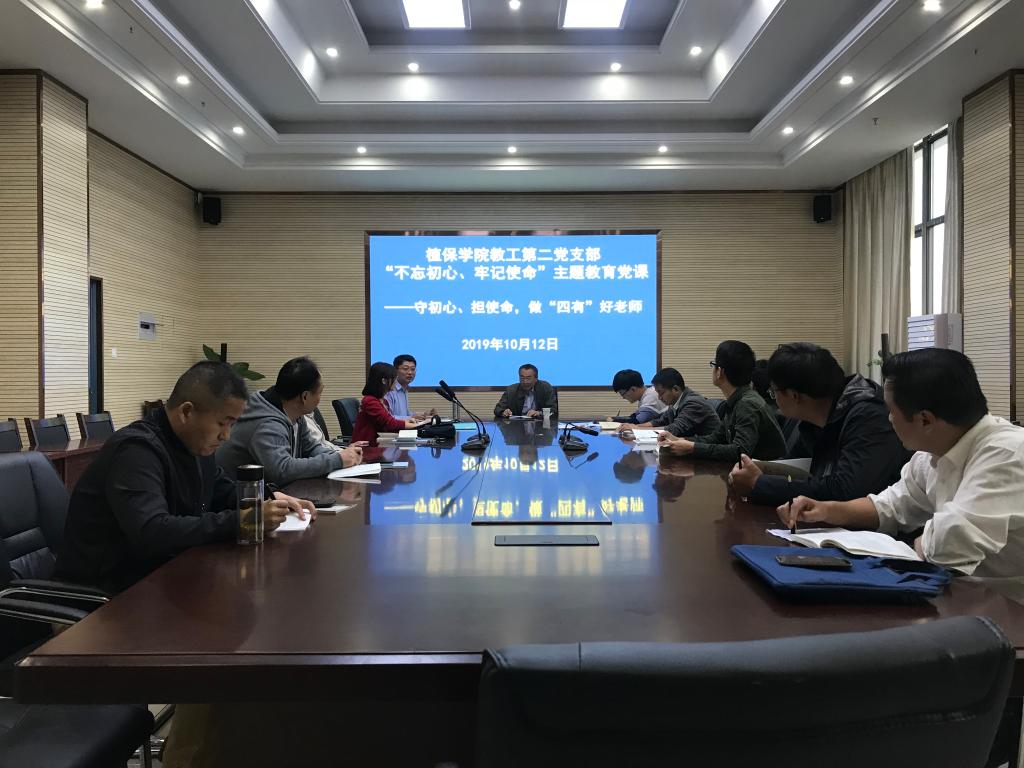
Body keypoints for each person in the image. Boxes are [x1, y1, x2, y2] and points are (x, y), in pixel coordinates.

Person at [54, 361, 312, 594]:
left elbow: (220, 488)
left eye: (232, 425)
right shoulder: (136, 451)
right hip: (105, 598)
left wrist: (270, 496)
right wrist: (248, 519)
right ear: (187, 412)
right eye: (223, 423)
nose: (226, 436)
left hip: (158, 579)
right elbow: (153, 532)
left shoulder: (193, 443)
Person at [778, 348, 1024, 578]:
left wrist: (922, 543)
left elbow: (948, 547)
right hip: (959, 590)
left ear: (925, 420)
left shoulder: (1008, 454)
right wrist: (827, 510)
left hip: (1004, 601)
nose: (888, 419)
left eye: (891, 410)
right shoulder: (933, 451)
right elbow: (892, 506)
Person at [730, 342, 908, 506]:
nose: (773, 398)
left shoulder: (869, 416)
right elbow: (802, 467)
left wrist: (758, 483)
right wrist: (764, 470)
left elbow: (846, 491)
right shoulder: (817, 416)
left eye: (773, 391)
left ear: (794, 396)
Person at [217, 357, 361, 485]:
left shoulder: (294, 413)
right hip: (237, 498)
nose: (320, 398)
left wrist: (341, 456)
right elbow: (281, 470)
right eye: (320, 392)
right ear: (305, 397)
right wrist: (337, 460)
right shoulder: (267, 424)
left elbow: (309, 448)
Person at [659, 341, 786, 463]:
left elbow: (740, 451)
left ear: (720, 371)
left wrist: (692, 448)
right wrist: (680, 440)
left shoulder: (747, 403)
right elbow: (717, 438)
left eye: (713, 364)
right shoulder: (737, 400)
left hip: (769, 471)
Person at [619, 367, 719, 437]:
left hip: (708, 452)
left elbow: (673, 429)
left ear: (675, 389)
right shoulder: (675, 402)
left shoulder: (693, 403)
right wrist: (635, 427)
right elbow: (660, 421)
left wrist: (637, 429)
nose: (659, 398)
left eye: (661, 393)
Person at [352, 361, 426, 445]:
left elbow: (389, 422)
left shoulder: (383, 401)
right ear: (384, 381)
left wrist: (414, 422)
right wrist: (420, 424)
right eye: (394, 379)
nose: (396, 382)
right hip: (366, 447)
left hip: (380, 443)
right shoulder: (370, 401)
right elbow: (390, 424)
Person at [383, 354, 437, 421]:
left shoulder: (404, 389)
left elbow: (405, 414)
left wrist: (424, 415)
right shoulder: (389, 390)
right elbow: (387, 418)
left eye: (413, 369)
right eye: (405, 369)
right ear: (395, 370)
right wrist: (411, 417)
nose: (410, 372)